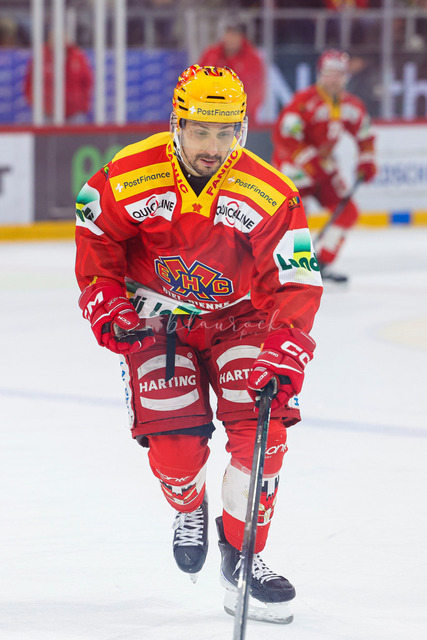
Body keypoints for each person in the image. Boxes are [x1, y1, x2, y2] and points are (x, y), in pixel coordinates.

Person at [75, 65, 322, 624]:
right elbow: (96, 235)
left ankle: (242, 556)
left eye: (225, 132)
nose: (213, 147)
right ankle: (189, 504)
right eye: (201, 131)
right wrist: (106, 301)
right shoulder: (127, 176)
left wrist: (286, 345)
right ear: (177, 125)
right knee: (175, 452)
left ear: (241, 129)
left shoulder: (269, 192)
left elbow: (296, 279)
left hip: (242, 320)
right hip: (156, 321)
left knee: (262, 434)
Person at [272, 49, 377, 283]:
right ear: (320, 74)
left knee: (347, 211)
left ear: (346, 76)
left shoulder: (352, 105)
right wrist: (309, 162)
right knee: (295, 216)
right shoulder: (304, 101)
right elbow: (285, 136)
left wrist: (366, 160)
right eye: (329, 73)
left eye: (339, 74)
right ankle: (294, 265)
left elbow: (365, 136)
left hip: (324, 166)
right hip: (293, 168)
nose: (333, 79)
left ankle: (322, 263)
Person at [199, 21, 266, 124]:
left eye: (234, 35)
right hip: (210, 114)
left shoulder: (253, 59)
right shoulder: (211, 55)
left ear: (241, 37)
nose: (230, 38)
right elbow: (198, 80)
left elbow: (257, 91)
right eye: (228, 34)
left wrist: (241, 111)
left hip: (240, 116)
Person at [24, 33, 93, 123]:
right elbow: (30, 81)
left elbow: (87, 82)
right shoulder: (40, 57)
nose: (57, 42)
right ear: (49, 41)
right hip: (46, 112)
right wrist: (34, 103)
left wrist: (83, 105)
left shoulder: (78, 56)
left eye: (61, 39)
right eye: (53, 39)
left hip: (74, 112)